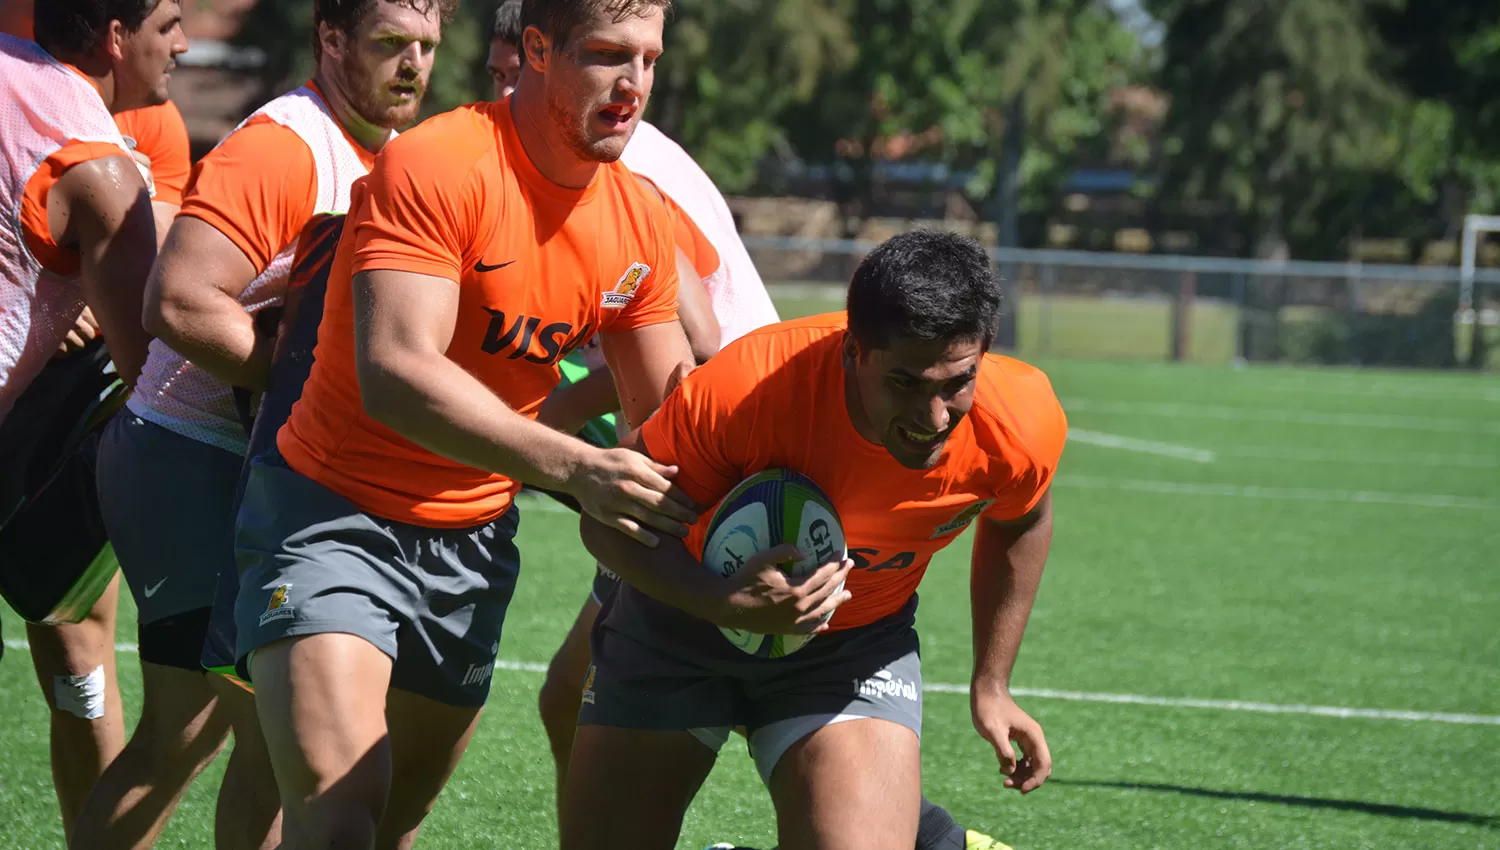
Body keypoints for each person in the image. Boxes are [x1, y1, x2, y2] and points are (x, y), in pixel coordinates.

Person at [227, 0, 803, 843]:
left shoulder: (637, 218)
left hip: (472, 545)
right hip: (330, 516)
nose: (633, 84)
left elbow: (667, 418)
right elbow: (397, 370)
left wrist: (753, 540)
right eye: (609, 55)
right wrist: (572, 465)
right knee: (342, 810)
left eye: (649, 59)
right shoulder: (439, 163)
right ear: (536, 49)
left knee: (394, 819)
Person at [71, 2, 456, 848]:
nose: (414, 65)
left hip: (254, 467)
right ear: (331, 40)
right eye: (392, 43)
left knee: (259, 746)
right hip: (186, 456)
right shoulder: (283, 143)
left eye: (428, 46)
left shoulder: (392, 152)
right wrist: (307, 378)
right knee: (193, 737)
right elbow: (174, 301)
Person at [561, 230, 1065, 850]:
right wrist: (718, 600)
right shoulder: (744, 390)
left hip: (849, 649)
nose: (934, 417)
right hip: (676, 624)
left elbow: (1021, 520)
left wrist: (992, 683)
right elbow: (605, 520)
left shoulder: (1020, 419)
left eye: (955, 382)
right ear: (855, 352)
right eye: (906, 383)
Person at [0, 0, 181, 840]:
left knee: (76, 642)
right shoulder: (97, 165)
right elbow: (156, 372)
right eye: (169, 23)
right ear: (116, 37)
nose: (183, 43)